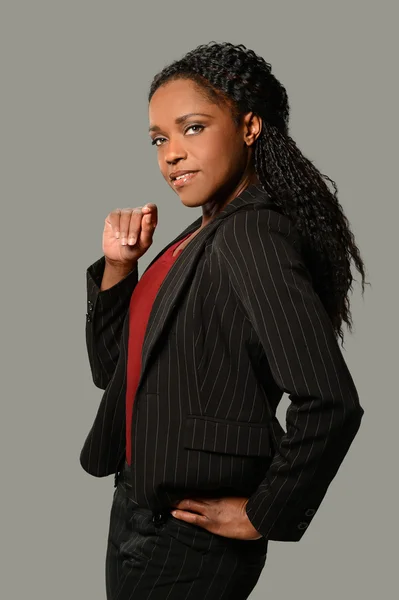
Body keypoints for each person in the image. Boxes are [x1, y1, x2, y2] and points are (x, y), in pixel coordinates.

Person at [80, 41, 366, 599]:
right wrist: (119, 267)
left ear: (250, 126)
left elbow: (329, 400)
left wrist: (265, 513)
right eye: (160, 139)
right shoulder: (197, 237)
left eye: (192, 128)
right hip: (137, 508)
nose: (171, 154)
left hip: (189, 540)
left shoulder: (251, 234)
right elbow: (113, 370)